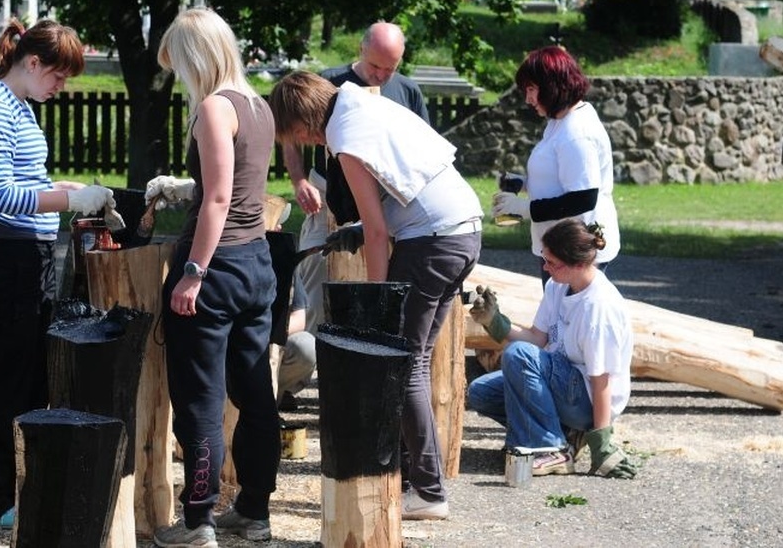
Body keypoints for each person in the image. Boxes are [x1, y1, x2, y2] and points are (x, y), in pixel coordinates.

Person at [269, 70, 483, 521]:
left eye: (297, 135)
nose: (303, 142)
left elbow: (381, 232)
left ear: (304, 125)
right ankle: (414, 482)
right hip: (461, 228)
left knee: (400, 365)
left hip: (434, 240)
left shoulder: (345, 136)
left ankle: (427, 491)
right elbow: (387, 209)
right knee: (413, 362)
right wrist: (357, 230)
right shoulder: (360, 106)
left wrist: (378, 304)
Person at [0, 18, 116, 530]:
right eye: (58, 76)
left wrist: (68, 188)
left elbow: (29, 181)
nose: (62, 86)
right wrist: (71, 199)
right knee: (2, 380)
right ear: (31, 63)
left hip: (31, 255)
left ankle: (10, 490)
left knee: (29, 379)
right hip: (4, 259)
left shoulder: (21, 106)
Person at [150, 8, 279, 548]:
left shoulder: (212, 107)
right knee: (255, 394)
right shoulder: (258, 105)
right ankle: (254, 511)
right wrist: (189, 186)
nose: (177, 75)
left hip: (217, 268)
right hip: (256, 263)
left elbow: (220, 199)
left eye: (177, 63)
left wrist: (192, 273)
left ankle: (198, 519)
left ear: (194, 57)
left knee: (201, 400)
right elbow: (237, 184)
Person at [281, 22, 430, 334]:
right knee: (315, 278)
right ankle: (311, 349)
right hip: (327, 196)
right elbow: (290, 138)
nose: (380, 75)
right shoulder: (327, 83)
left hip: (387, 199)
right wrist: (299, 181)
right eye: (375, 65)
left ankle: (369, 344)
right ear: (361, 50)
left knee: (384, 276)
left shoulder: (407, 91)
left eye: (390, 68)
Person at [467, 219, 639, 479]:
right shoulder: (557, 285)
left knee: (518, 355)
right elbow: (537, 338)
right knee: (480, 392)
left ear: (579, 265)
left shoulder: (599, 308)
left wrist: (601, 443)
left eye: (552, 263)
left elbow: (602, 381)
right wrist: (495, 322)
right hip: (565, 383)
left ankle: (552, 449)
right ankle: (562, 434)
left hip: (589, 399)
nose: (545, 268)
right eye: (545, 260)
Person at [491, 46, 620, 284]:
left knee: (566, 320)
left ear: (551, 86)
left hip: (575, 254)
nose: (528, 99)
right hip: (559, 248)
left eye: (531, 89)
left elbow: (582, 199)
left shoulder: (576, 133)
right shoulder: (561, 121)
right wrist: (522, 182)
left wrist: (523, 208)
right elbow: (561, 178)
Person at [276, 273, 316, 412]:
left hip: (270, 338)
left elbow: (299, 319)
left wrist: (267, 333)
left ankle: (278, 394)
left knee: (306, 346)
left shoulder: (281, 260)